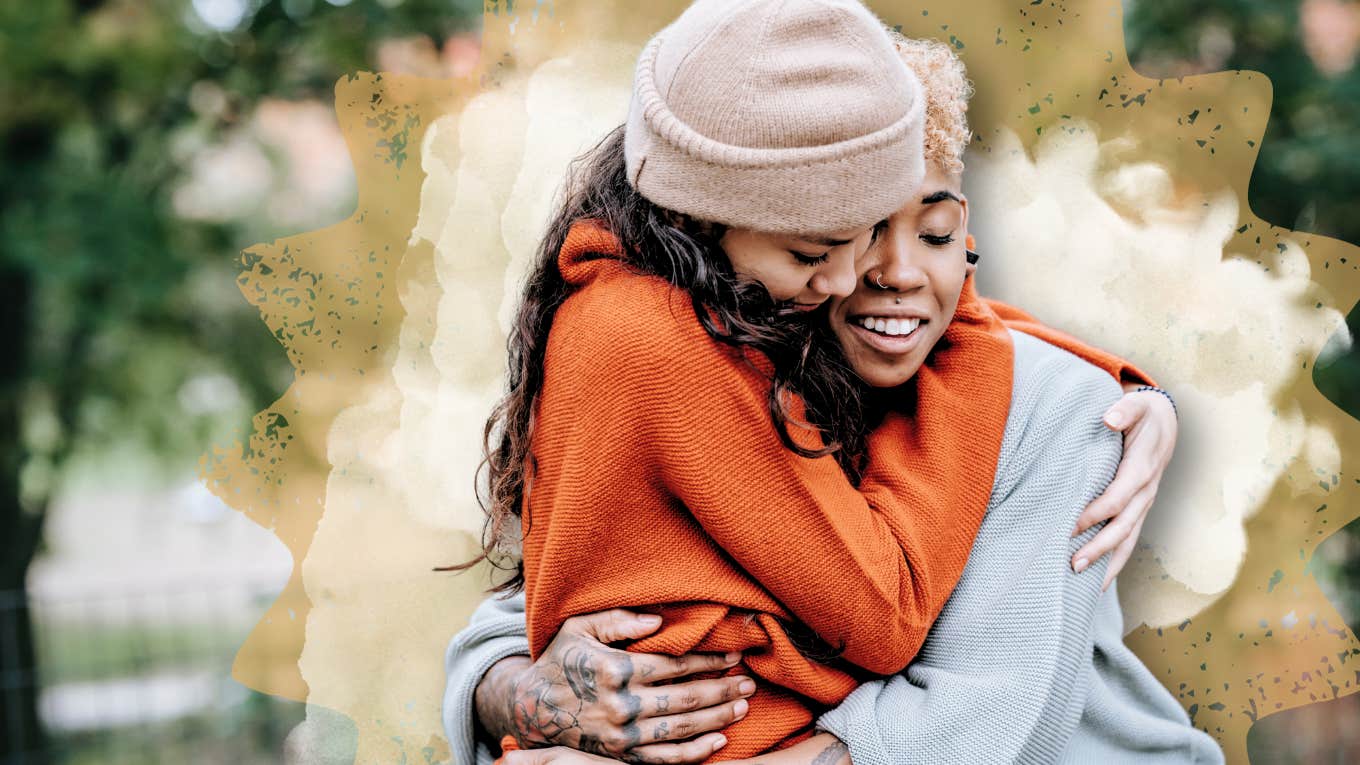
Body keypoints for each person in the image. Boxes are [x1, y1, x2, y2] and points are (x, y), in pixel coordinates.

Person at [444, 29, 1218, 765]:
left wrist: (1109, 378)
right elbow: (547, 596)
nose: (890, 271)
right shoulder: (744, 360)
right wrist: (519, 693)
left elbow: (978, 732)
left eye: (939, 233)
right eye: (856, 233)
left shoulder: (1062, 412)